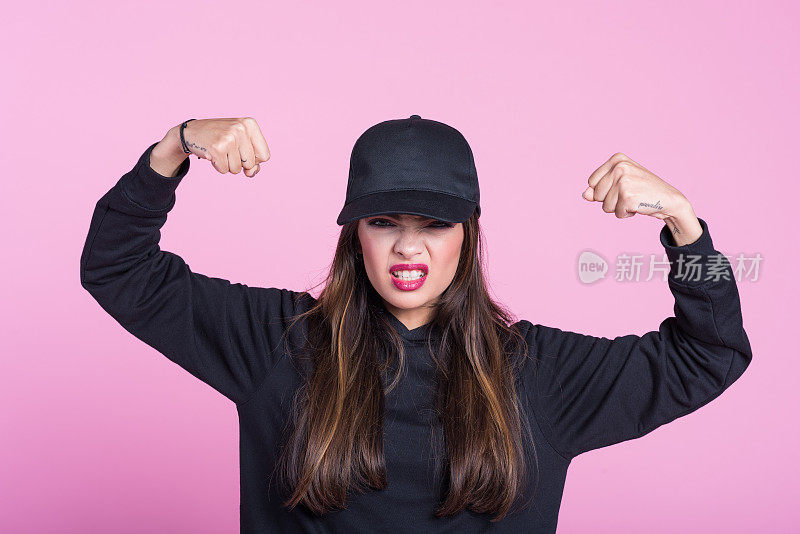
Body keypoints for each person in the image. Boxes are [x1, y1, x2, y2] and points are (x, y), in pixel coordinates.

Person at [79, 115, 752, 533]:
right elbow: (117, 268)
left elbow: (710, 355)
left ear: (468, 234)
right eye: (383, 223)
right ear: (353, 236)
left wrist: (685, 227)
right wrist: (174, 145)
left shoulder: (538, 374)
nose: (408, 249)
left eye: (434, 226)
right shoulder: (278, 342)